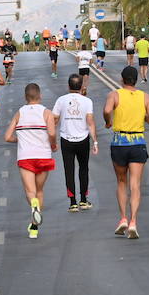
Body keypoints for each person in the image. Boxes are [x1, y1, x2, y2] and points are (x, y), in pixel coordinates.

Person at [103, 65, 149, 239]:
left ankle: (123, 218)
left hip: (119, 142)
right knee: (135, 183)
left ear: (122, 79)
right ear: (136, 80)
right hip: (137, 142)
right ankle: (134, 221)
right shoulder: (145, 97)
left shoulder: (114, 95)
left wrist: (108, 121)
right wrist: (143, 115)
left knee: (121, 182)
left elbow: (106, 110)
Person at [3, 82, 59, 239]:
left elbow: (7, 137)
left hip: (26, 156)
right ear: (40, 96)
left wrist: (19, 140)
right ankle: (34, 227)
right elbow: (52, 133)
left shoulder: (19, 113)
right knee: (40, 190)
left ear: (25, 97)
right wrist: (53, 145)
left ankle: (34, 208)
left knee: (30, 191)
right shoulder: (47, 113)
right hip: (44, 155)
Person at [52, 73, 97, 211]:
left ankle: (72, 202)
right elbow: (90, 122)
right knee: (84, 169)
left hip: (66, 140)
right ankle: (83, 200)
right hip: (83, 140)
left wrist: (52, 140)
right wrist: (95, 141)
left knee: (69, 170)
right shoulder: (87, 101)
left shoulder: (61, 100)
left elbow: (54, 120)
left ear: (68, 86)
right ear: (82, 86)